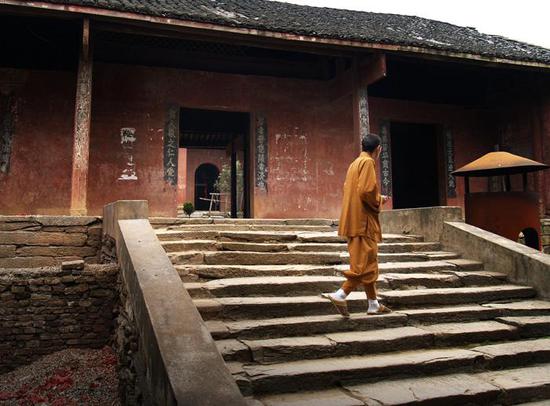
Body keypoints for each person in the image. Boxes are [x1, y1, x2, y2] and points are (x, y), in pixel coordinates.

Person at [322, 133, 390, 318]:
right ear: (378, 149)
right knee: (364, 264)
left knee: (367, 260)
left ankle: (373, 304)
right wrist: (379, 200)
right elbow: (367, 191)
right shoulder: (368, 163)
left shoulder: (354, 164)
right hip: (363, 222)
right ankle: (341, 293)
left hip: (353, 219)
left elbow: (352, 189)